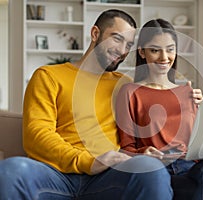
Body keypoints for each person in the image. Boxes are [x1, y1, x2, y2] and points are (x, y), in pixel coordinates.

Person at [0, 10, 176, 200]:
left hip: (107, 178)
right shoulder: (48, 76)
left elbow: (141, 130)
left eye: (129, 45)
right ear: (95, 34)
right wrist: (89, 161)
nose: (122, 50)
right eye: (117, 39)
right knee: (13, 170)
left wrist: (189, 99)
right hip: (55, 175)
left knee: (150, 169)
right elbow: (37, 136)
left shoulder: (124, 85)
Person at [116, 18, 203, 200]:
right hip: (158, 171)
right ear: (142, 52)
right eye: (155, 50)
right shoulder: (130, 92)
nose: (164, 57)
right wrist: (143, 153)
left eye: (170, 49)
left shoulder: (188, 92)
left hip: (190, 167)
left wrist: (202, 110)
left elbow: (197, 144)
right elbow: (126, 148)